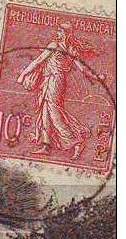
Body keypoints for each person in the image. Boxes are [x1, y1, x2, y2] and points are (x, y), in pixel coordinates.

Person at [16, 21, 105, 160]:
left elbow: (39, 60)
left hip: (54, 81)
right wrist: (96, 77)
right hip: (53, 80)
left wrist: (23, 74)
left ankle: (76, 141)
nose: (57, 34)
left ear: (65, 33)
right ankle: (46, 145)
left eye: (59, 31)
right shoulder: (71, 49)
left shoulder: (56, 46)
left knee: (54, 112)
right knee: (45, 110)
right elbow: (83, 69)